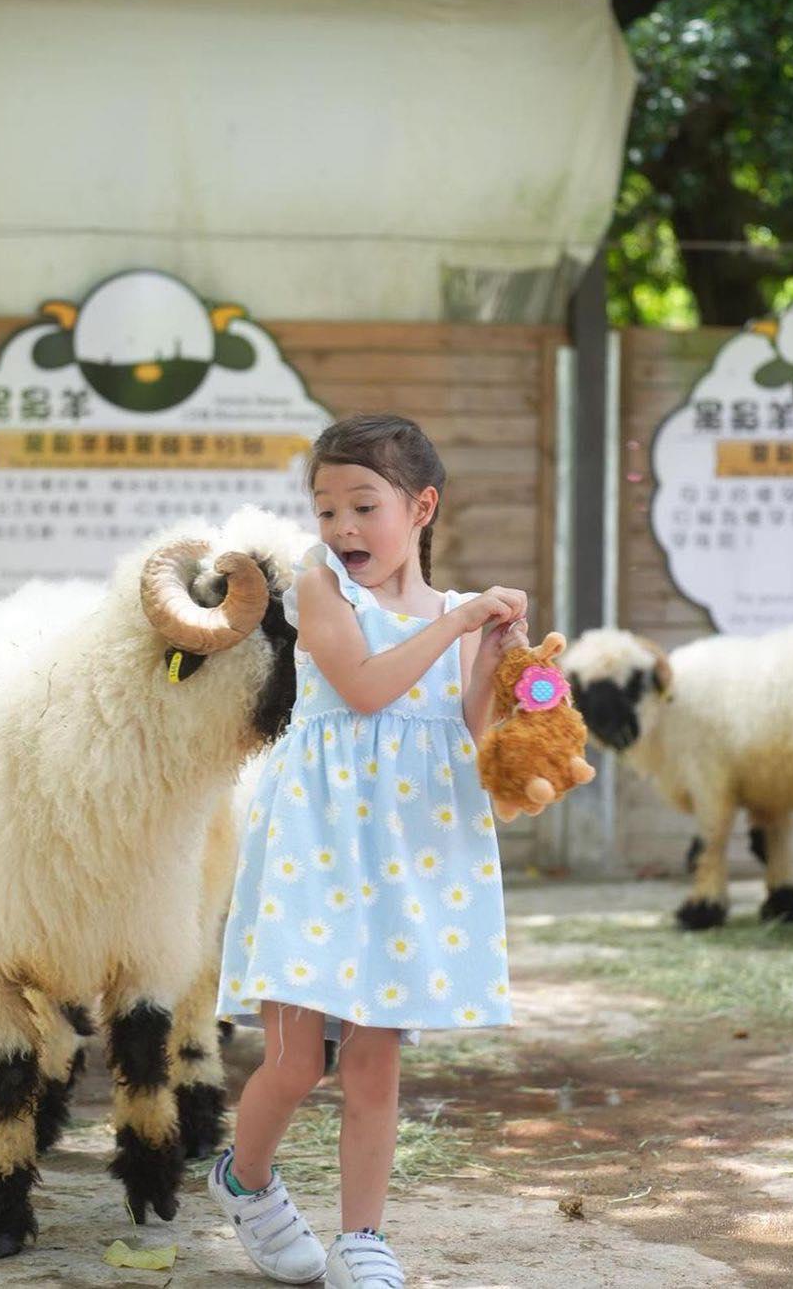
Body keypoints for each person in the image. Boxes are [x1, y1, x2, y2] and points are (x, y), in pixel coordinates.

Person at [209, 413, 529, 1287]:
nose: (342, 529)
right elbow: (359, 688)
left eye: (363, 506)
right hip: (315, 844)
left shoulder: (444, 615)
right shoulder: (320, 589)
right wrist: (456, 624)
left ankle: (363, 1238)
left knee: (374, 1060)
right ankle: (244, 1179)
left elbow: (457, 734)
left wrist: (491, 660)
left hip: (403, 850)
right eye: (325, 510)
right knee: (293, 1056)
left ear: (421, 506)